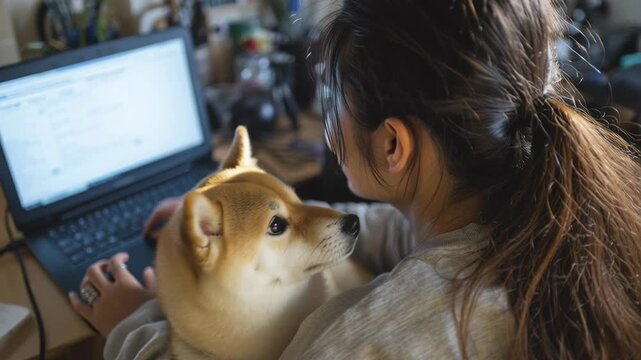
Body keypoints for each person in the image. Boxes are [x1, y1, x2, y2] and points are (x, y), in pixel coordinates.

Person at [69, 0, 641, 358]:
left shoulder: (360, 340)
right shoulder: (557, 212)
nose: (328, 122)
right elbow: (403, 234)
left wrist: (134, 324)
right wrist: (235, 227)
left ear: (392, 144)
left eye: (332, 101)